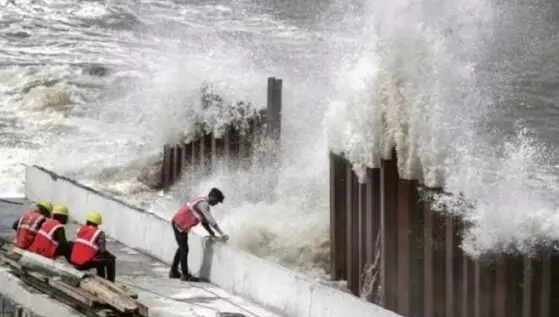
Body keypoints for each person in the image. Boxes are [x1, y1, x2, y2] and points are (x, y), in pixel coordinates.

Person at [170, 187, 229, 281]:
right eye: (217, 201)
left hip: (177, 222)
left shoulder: (201, 202)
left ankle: (173, 272)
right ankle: (185, 275)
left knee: (181, 248)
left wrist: (212, 233)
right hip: (180, 225)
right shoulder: (204, 204)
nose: (216, 204)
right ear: (213, 198)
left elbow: (204, 222)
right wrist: (222, 233)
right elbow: (210, 220)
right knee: (184, 250)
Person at [71, 211, 116, 282]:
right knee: (111, 259)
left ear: (87, 221)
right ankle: (111, 281)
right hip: (83, 265)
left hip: (74, 262)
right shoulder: (99, 233)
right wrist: (110, 255)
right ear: (98, 223)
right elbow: (103, 251)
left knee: (98, 255)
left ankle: (101, 276)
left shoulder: (80, 230)